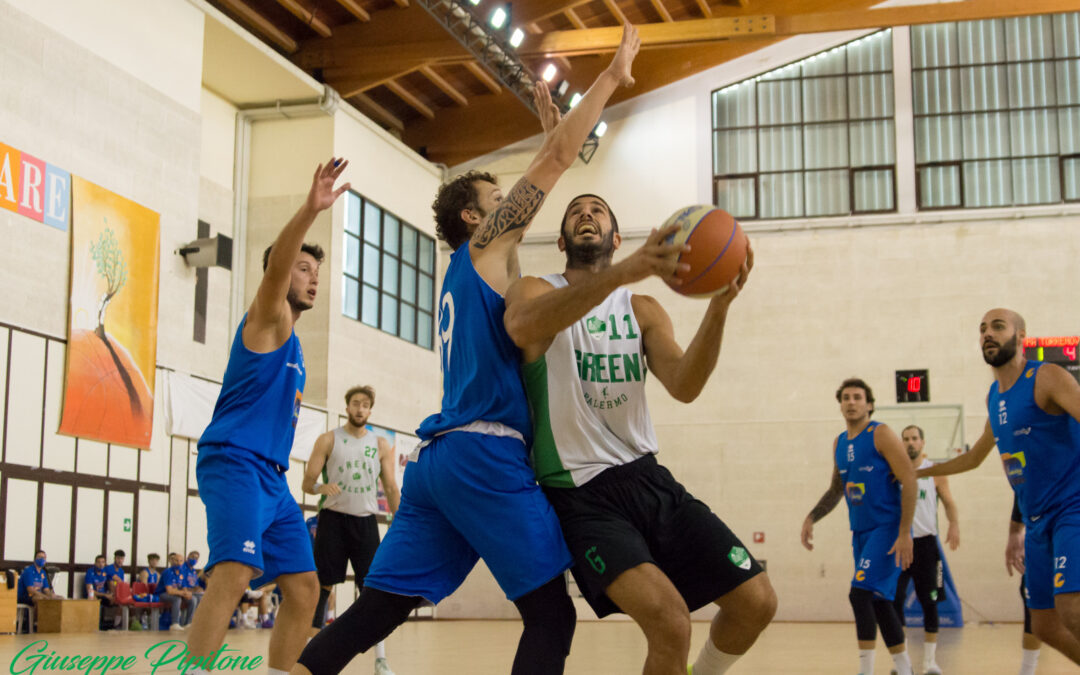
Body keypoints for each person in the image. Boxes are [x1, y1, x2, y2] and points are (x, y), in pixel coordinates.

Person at [294, 26, 642, 675]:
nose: (511, 204)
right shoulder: (487, 249)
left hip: (438, 462)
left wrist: (548, 137)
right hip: (486, 453)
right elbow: (563, 158)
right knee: (552, 614)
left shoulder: (461, 272)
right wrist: (613, 77)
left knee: (376, 609)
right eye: (497, 199)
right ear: (477, 219)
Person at [501, 194, 774, 675]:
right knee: (670, 623)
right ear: (563, 239)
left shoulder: (643, 309)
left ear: (617, 237)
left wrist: (719, 306)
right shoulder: (535, 290)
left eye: (599, 210)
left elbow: (685, 384)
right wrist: (627, 270)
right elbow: (522, 329)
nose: (588, 214)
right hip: (581, 492)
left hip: (649, 480)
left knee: (757, 601)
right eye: (577, 211)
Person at [187, 158, 350, 674]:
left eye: (317, 272)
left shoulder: (297, 345)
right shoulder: (268, 318)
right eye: (304, 268)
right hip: (235, 461)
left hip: (272, 479)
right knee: (234, 574)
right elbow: (278, 268)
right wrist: (310, 209)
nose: (312, 277)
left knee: (304, 589)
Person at [918, 308, 1080, 664]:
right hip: (1038, 523)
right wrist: (917, 473)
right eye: (982, 329)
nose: (987, 333)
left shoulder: (1048, 376)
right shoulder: (995, 397)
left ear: (1021, 336)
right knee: (1044, 624)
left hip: (1073, 509)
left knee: (1071, 606)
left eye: (998, 326)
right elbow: (975, 457)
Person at [802, 378, 917, 675]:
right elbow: (836, 489)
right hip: (861, 533)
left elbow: (910, 481)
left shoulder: (881, 434)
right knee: (878, 601)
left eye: (858, 397)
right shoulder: (840, 443)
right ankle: (905, 669)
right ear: (840, 404)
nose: (851, 402)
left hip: (888, 528)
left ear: (869, 404)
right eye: (846, 398)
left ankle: (865, 670)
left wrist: (905, 533)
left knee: (859, 594)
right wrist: (812, 517)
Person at [302, 385, 400, 675]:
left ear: (371, 410)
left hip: (366, 521)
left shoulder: (381, 444)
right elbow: (307, 483)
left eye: (365, 404)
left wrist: (402, 519)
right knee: (322, 587)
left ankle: (380, 659)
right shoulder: (328, 440)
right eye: (355, 403)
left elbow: (392, 487)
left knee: (373, 590)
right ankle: (310, 654)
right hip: (333, 519)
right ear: (347, 407)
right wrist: (320, 486)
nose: (360, 408)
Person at [890, 425, 960, 675]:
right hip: (900, 544)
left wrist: (953, 523)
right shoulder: (894, 471)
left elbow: (949, 501)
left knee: (930, 602)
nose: (910, 443)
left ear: (922, 442)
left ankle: (930, 661)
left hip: (926, 545)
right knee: (894, 600)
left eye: (914, 438)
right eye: (905, 439)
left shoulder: (934, 472)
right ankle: (902, 661)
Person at [1007, 495, 1042, 675]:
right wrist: (1014, 532)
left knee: (1070, 610)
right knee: (1036, 614)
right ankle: (1027, 671)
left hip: (1067, 534)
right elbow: (1021, 492)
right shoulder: (1021, 470)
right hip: (1038, 540)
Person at [161, 552, 200, 631]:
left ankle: (188, 623)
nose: (178, 563)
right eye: (176, 560)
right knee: (177, 599)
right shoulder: (168, 572)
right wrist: (183, 593)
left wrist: (187, 594)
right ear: (172, 561)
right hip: (163, 594)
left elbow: (184, 587)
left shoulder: (182, 573)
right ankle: (174, 623)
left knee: (193, 599)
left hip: (177, 594)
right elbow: (169, 591)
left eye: (180, 561)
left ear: (183, 562)